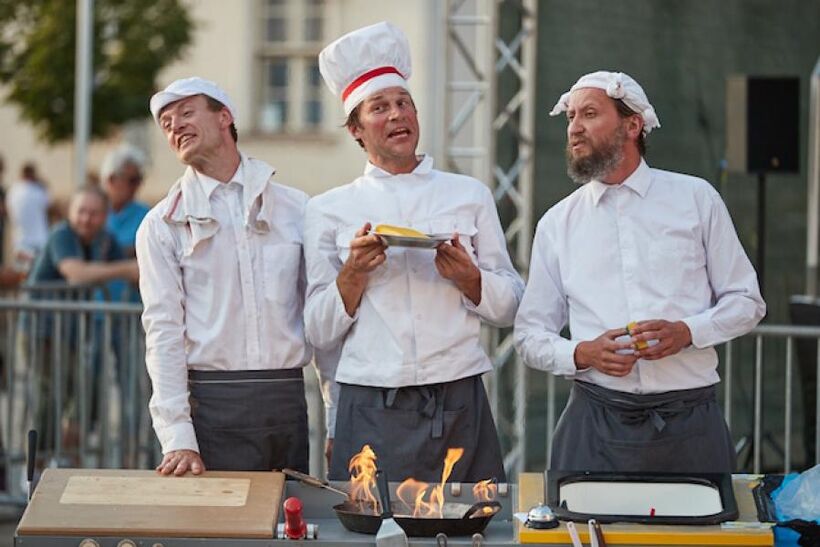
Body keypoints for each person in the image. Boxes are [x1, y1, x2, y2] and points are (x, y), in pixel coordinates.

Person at [513, 71, 766, 473]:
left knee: (699, 538)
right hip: (593, 420)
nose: (574, 128)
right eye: (570, 117)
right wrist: (581, 352)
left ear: (633, 125)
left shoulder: (696, 198)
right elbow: (529, 334)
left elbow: (747, 302)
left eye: (589, 114)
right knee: (583, 536)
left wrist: (687, 332)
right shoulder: (557, 222)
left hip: (690, 419)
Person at [306, 22, 524, 483]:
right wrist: (352, 275)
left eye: (403, 103)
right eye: (379, 107)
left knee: (472, 526)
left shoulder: (469, 193)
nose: (396, 115)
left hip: (458, 393)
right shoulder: (327, 209)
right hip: (370, 399)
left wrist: (471, 280)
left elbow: (510, 307)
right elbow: (317, 330)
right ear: (356, 130)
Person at [136, 77, 312, 476]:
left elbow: (319, 318)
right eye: (165, 122)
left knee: (292, 533)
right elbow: (162, 332)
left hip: (287, 400)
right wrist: (178, 436)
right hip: (211, 408)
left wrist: (336, 417)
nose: (174, 125)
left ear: (224, 117)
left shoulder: (296, 208)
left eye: (185, 112)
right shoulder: (160, 225)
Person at [27, 185, 137, 287]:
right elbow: (76, 274)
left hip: (71, 308)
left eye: (94, 213)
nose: (86, 219)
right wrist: (126, 269)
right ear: (70, 211)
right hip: (40, 307)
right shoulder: (61, 234)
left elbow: (129, 268)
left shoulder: (104, 238)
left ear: (105, 216)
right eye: (81, 211)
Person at [100, 145, 150, 303]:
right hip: (96, 306)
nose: (137, 186)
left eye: (139, 180)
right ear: (111, 179)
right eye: (132, 180)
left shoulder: (147, 215)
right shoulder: (93, 212)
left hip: (131, 307)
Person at [6, 162, 50, 270]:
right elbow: (49, 205)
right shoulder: (38, 191)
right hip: (39, 240)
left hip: (20, 241)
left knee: (21, 278)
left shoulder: (13, 191)